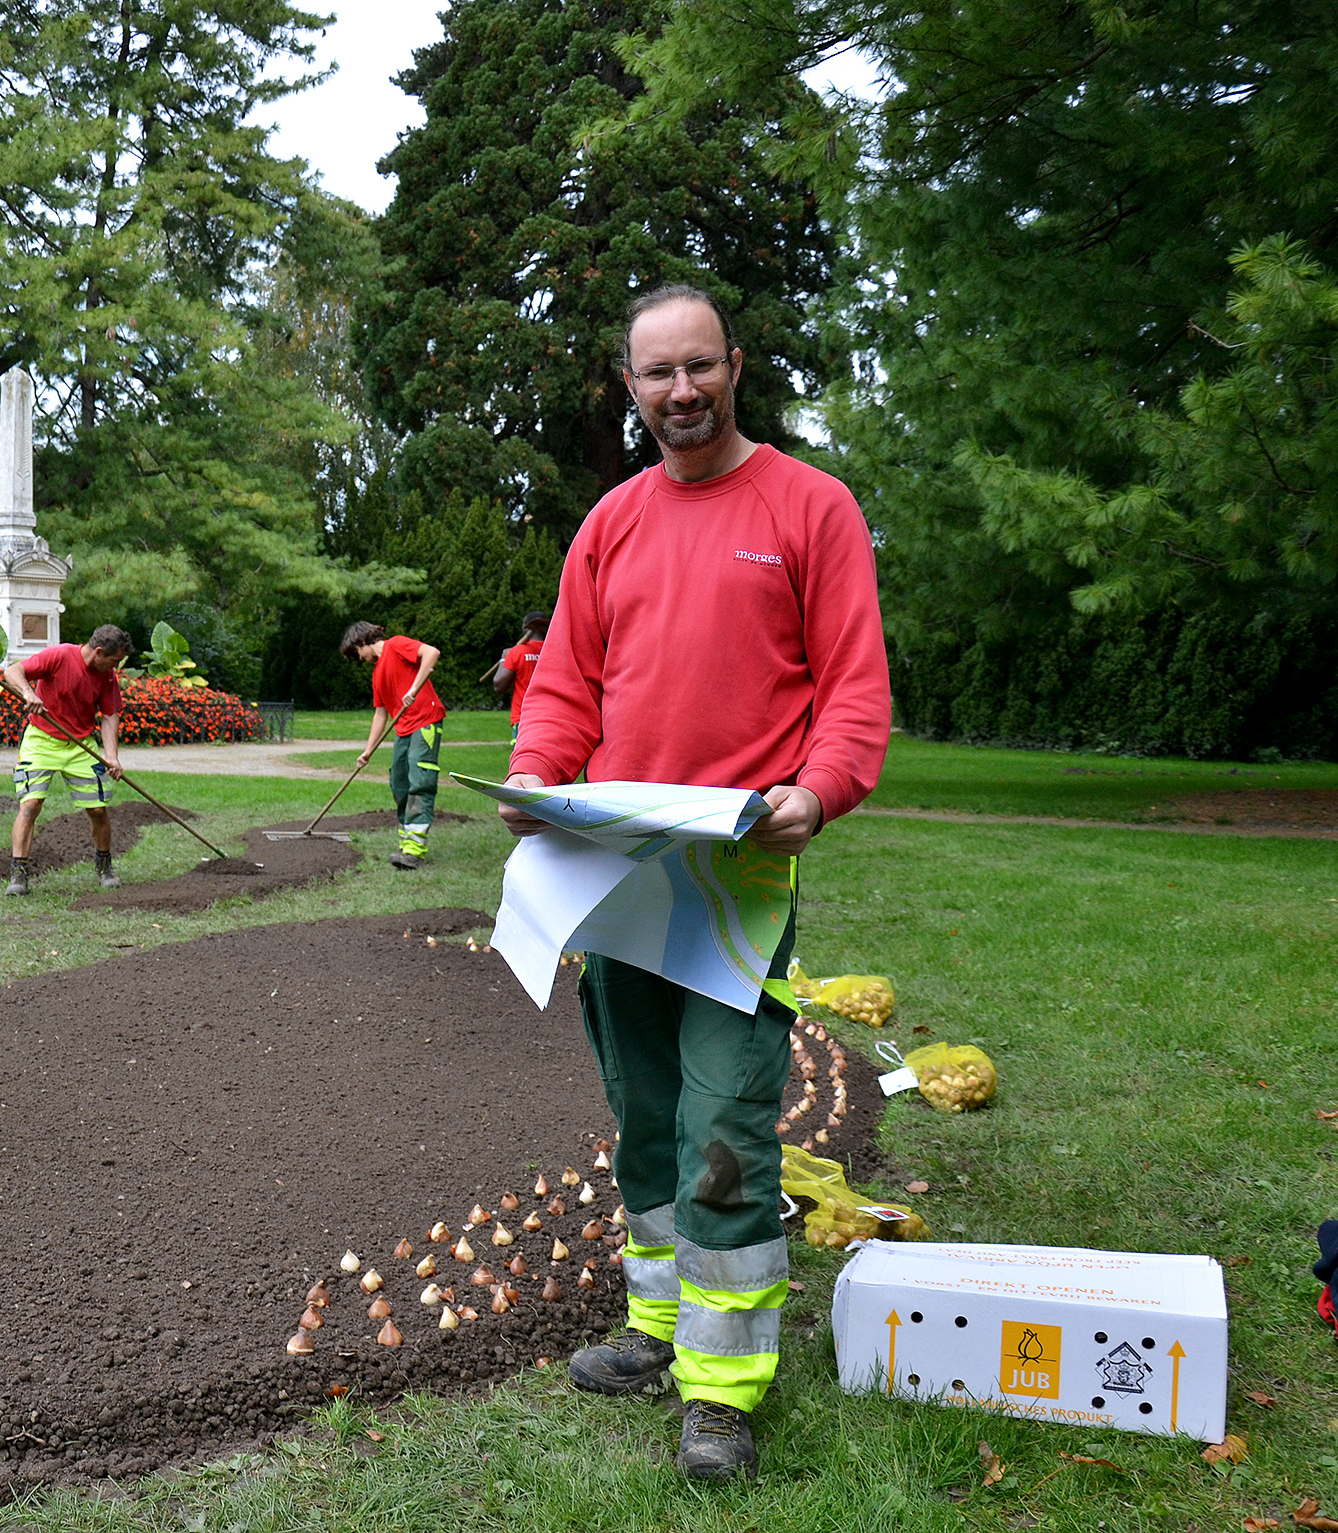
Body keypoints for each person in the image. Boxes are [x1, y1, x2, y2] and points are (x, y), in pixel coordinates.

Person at [502, 283, 891, 1481]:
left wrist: (813, 796)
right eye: (654, 374)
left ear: (734, 363)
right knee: (646, 1118)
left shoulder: (808, 507)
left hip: (736, 879)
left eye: (697, 368)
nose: (679, 391)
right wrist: (532, 778)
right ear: (628, 387)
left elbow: (855, 694)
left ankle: (722, 1390)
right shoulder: (608, 524)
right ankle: (656, 1326)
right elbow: (566, 683)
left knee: (724, 1117)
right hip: (619, 871)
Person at [1, 625, 130, 895]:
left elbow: (109, 715)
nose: (115, 667)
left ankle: (104, 866)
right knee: (30, 806)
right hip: (41, 740)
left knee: (98, 809)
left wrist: (111, 756)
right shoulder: (59, 656)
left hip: (80, 745)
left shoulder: (107, 678)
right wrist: (28, 692)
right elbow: (13, 671)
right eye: (114, 660)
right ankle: (19, 874)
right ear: (98, 652)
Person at [339, 622, 444, 869]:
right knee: (399, 781)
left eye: (356, 653)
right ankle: (405, 840)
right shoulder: (377, 674)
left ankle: (414, 849)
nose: (359, 659)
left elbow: (431, 653)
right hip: (404, 729)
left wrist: (414, 689)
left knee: (420, 780)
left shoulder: (396, 645)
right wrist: (368, 750)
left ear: (360, 641)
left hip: (425, 721)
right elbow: (380, 715)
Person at [492, 611, 549, 745]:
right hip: (550, 716)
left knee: (523, 762)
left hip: (524, 717)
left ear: (525, 629)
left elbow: (499, 686)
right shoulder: (556, 650)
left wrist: (503, 660)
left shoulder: (517, 652)